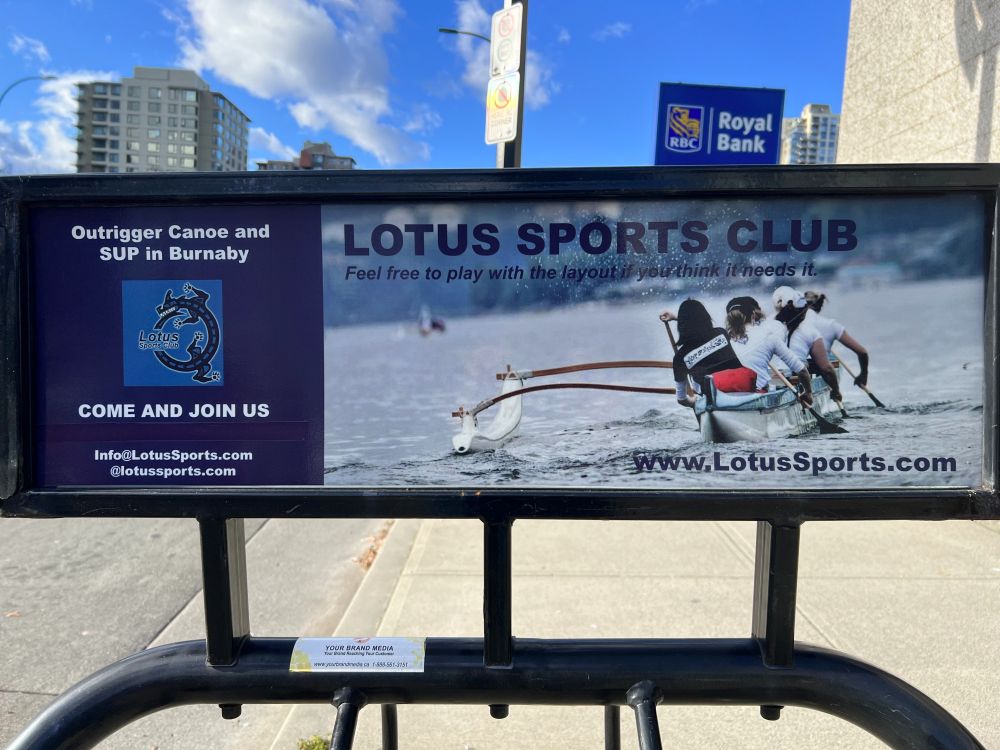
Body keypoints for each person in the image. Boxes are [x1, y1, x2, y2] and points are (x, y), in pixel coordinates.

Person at [724, 296, 813, 406]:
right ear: (753, 315)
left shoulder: (724, 341)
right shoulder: (769, 337)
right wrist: (808, 393)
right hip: (758, 396)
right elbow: (802, 371)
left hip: (727, 397)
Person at [660, 299, 743, 407]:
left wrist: (694, 402)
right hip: (742, 385)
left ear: (681, 325)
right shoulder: (722, 333)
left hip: (713, 397)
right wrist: (677, 318)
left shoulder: (680, 358)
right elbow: (698, 323)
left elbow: (681, 399)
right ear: (706, 317)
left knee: (698, 386)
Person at [771, 286, 843, 403]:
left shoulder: (766, 325)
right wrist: (835, 391)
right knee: (822, 367)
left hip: (770, 377)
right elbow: (827, 369)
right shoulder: (808, 331)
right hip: (791, 374)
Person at [804, 290, 869, 387]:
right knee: (827, 365)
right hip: (821, 368)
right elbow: (862, 352)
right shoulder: (831, 325)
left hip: (799, 369)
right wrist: (863, 375)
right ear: (820, 306)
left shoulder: (790, 324)